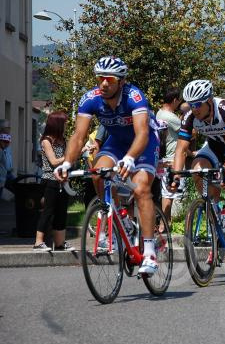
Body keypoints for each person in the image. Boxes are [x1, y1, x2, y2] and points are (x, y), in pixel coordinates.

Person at [54, 57, 162, 276]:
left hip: (144, 143)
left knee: (141, 189)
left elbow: (142, 133)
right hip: (116, 143)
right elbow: (78, 135)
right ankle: (121, 218)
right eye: (100, 78)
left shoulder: (135, 96)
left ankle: (150, 252)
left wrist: (131, 158)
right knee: (98, 173)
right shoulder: (90, 99)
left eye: (109, 79)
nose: (103, 83)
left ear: (121, 81)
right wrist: (66, 162)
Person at [171, 80, 225, 264]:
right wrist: (176, 175)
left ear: (209, 100)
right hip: (214, 146)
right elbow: (180, 149)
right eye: (191, 105)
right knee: (196, 169)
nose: (195, 109)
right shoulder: (190, 116)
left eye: (198, 104)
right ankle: (214, 207)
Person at [34, 112, 70, 251]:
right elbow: (54, 161)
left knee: (61, 212)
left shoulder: (63, 141)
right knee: (47, 212)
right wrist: (70, 154)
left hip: (63, 181)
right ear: (58, 124)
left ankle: (60, 243)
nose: (66, 126)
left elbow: (68, 161)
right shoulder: (46, 141)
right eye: (65, 123)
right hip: (50, 180)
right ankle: (38, 243)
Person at [156, 88, 184, 223]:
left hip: (162, 157)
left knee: (166, 191)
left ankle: (165, 222)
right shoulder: (171, 117)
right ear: (174, 100)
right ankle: (164, 223)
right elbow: (189, 133)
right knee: (171, 192)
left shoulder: (159, 113)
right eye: (179, 101)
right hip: (173, 158)